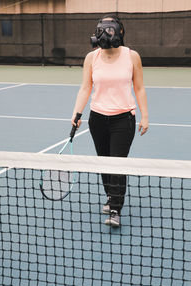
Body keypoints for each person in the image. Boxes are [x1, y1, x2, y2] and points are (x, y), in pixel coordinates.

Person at [71, 14, 148, 227]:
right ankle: (110, 196)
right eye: (101, 29)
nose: (104, 33)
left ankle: (115, 209)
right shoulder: (91, 58)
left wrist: (145, 116)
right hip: (97, 119)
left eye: (109, 28)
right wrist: (77, 113)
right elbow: (86, 87)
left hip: (123, 119)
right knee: (104, 162)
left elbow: (139, 88)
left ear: (118, 31)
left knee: (117, 164)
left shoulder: (132, 56)